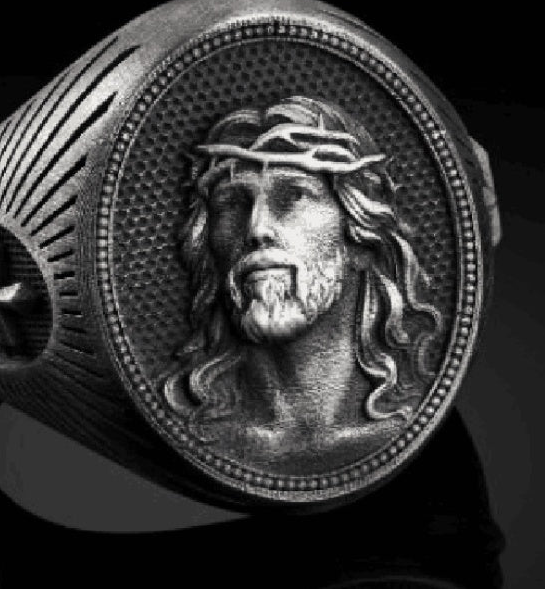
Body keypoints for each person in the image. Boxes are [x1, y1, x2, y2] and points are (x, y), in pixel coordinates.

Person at [161, 96, 441, 468]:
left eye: (293, 196)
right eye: (232, 203)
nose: (257, 229)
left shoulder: (410, 428)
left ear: (359, 238)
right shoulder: (186, 434)